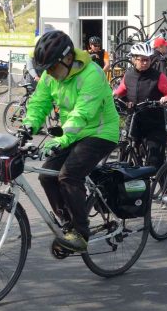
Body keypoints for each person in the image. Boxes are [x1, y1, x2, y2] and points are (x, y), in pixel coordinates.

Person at [24, 30, 120, 251]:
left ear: (68, 58)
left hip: (100, 132)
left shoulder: (92, 75)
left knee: (68, 176)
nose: (50, 73)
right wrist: (28, 126)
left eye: (53, 67)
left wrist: (62, 139)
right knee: (46, 176)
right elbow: (39, 102)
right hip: (72, 132)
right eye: (46, 69)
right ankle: (68, 225)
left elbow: (82, 113)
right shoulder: (52, 73)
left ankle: (80, 233)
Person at [112, 41, 167, 168]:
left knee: (154, 159)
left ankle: (161, 185)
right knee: (127, 153)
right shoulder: (129, 75)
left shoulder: (158, 77)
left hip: (154, 122)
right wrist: (113, 95)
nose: (145, 63)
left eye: (147, 60)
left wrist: (166, 98)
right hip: (134, 120)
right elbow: (121, 90)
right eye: (142, 60)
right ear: (133, 59)